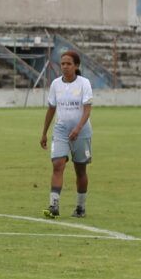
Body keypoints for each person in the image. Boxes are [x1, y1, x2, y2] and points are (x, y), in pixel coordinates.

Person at [40, 50, 93, 219]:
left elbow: (87, 110)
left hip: (81, 131)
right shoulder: (56, 84)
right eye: (62, 63)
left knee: (80, 171)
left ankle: (80, 207)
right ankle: (53, 205)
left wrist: (77, 129)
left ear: (76, 66)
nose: (65, 66)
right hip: (61, 130)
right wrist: (44, 133)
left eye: (68, 63)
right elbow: (51, 109)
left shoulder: (84, 83)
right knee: (57, 164)